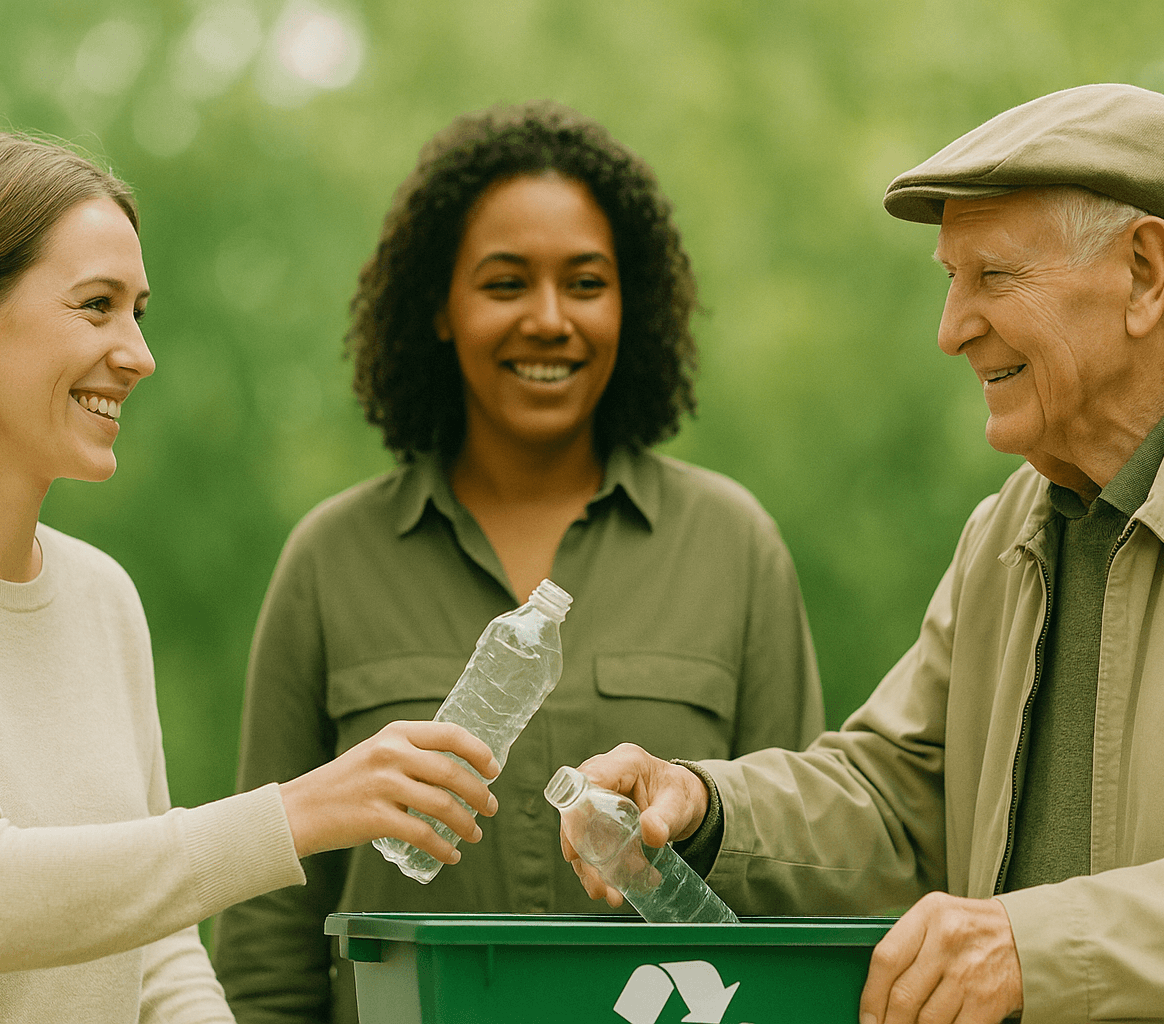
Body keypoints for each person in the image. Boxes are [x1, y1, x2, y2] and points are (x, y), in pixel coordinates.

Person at [566, 84, 1164, 1024]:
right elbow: (898, 799)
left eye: (993, 276)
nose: (951, 330)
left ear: (1143, 274)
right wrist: (703, 805)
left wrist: (1033, 948)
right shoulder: (1010, 526)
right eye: (952, 278)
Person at [211, 101, 823, 1024]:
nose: (548, 319)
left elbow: (798, 883)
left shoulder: (733, 547)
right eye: (505, 283)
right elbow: (267, 939)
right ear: (439, 307)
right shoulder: (330, 562)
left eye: (586, 283)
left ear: (630, 304)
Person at [0, 132, 502, 1024]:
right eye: (96, 306)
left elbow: (155, 946)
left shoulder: (102, 599)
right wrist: (301, 811)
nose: (138, 353)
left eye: (138, 312)